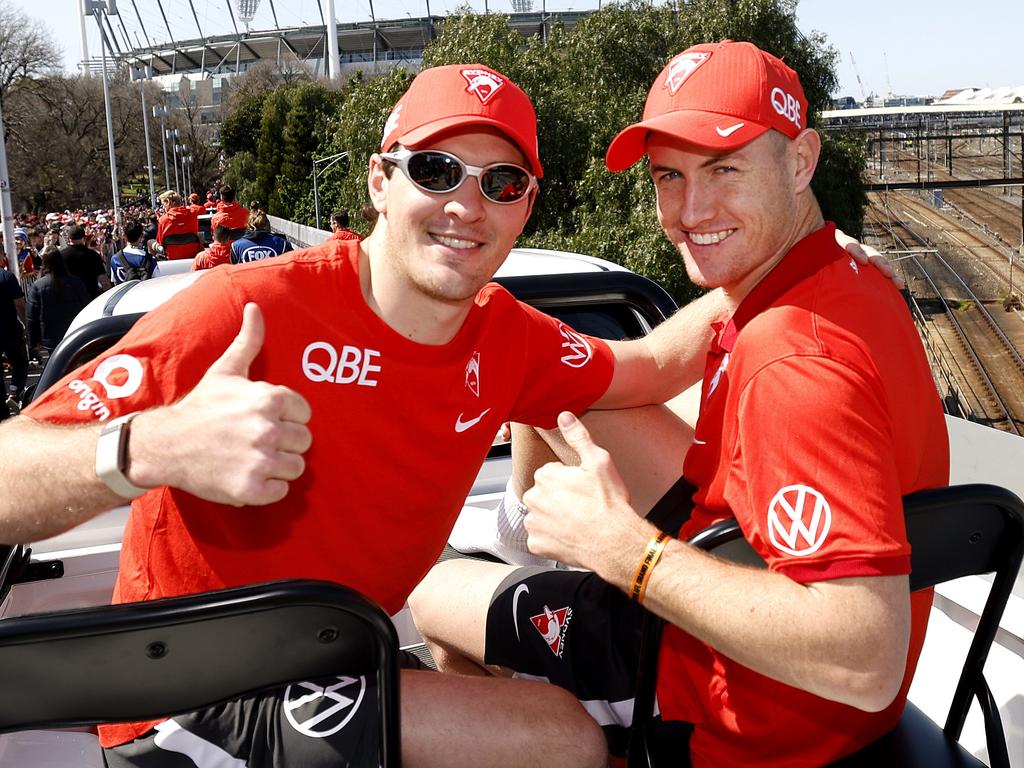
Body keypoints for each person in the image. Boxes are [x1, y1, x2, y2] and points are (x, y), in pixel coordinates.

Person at [1, 61, 890, 768]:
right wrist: (149, 445)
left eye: (502, 182)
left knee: (543, 716)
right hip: (191, 692)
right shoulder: (239, 310)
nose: (468, 204)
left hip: (342, 662)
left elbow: (646, 364)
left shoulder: (507, 338)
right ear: (382, 181)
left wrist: (789, 269)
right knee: (559, 739)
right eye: (436, 169)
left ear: (525, 208)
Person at [410, 41, 949, 767]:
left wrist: (622, 552)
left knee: (432, 595)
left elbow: (864, 656)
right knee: (582, 396)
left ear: (800, 161)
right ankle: (521, 542)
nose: (691, 210)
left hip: (727, 703)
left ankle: (577, 730)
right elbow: (646, 366)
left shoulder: (793, 360)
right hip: (743, 571)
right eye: (670, 175)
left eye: (724, 168)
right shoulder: (834, 275)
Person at [26, 249, 91, 354]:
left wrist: (33, 342)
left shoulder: (38, 285)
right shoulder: (75, 282)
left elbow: (32, 316)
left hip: (50, 337)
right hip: (74, 332)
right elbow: (87, 306)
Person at [0, 263, 27, 420]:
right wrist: (26, 323)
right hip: (9, 330)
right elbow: (19, 304)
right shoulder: (7, 276)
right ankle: (15, 392)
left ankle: (2, 408)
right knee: (21, 361)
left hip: (9, 330)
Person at [59, 224, 108, 299]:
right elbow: (104, 281)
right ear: (84, 238)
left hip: (69, 299)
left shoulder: (61, 255)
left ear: (69, 238)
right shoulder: (93, 255)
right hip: (90, 298)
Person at [155, 190, 202, 261]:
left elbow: (160, 242)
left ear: (168, 202)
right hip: (193, 255)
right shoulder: (193, 214)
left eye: (163, 204)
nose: (163, 207)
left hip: (171, 258)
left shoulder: (163, 220)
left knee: (150, 242)